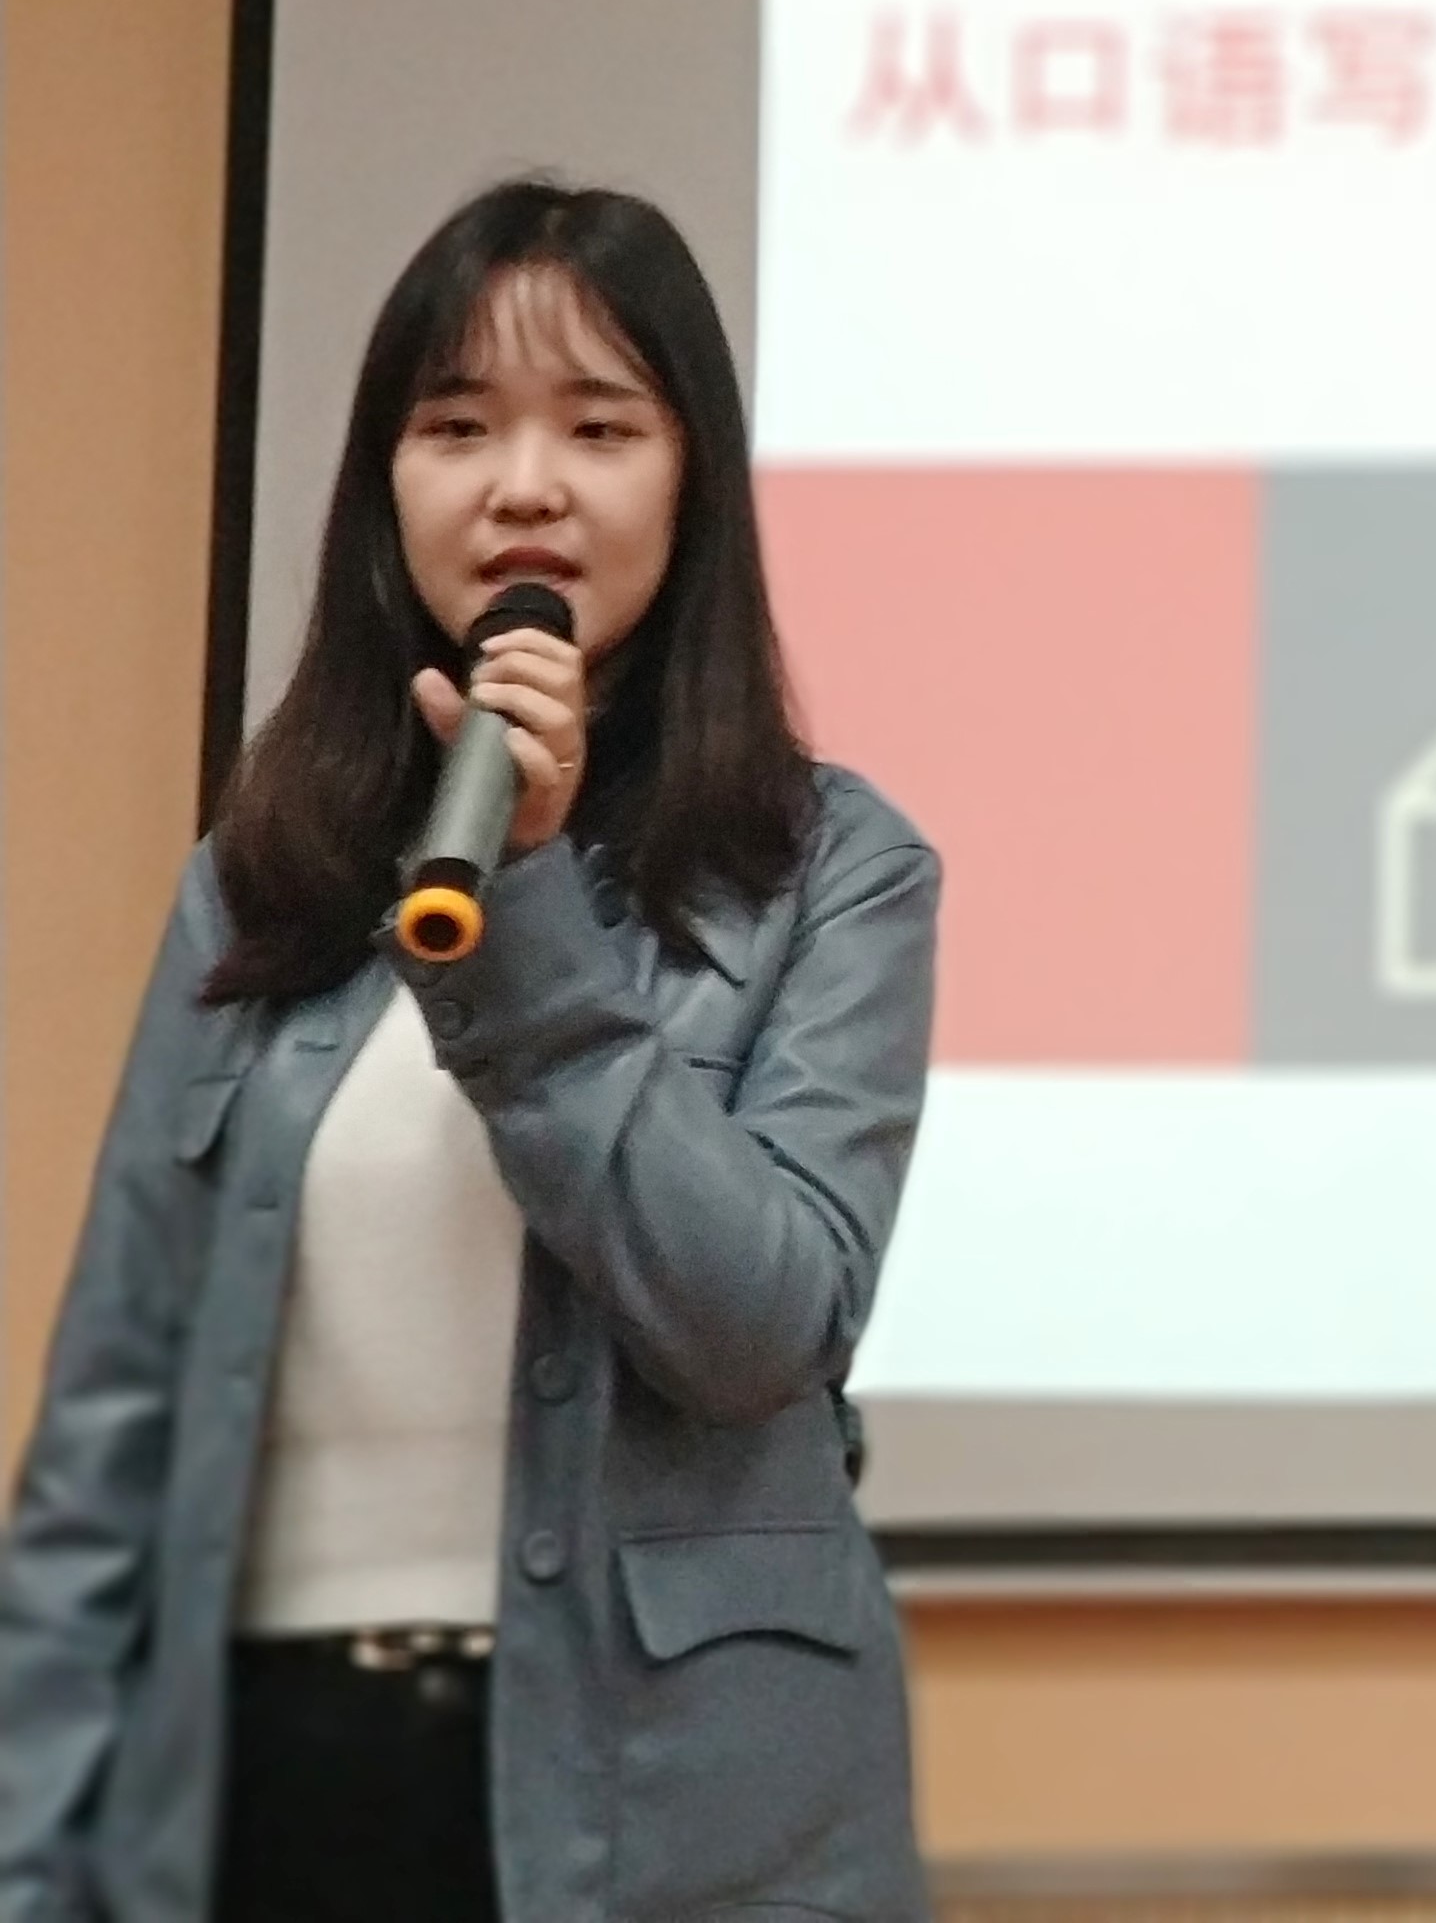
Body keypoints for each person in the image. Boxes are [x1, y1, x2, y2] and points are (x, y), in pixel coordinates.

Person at [0, 180, 943, 1923]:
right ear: (389, 485)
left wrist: (532, 910)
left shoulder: (830, 870)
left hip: (676, 1819)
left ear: (693, 484)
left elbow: (761, 1329)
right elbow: (111, 1432)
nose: (524, 485)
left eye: (600, 427)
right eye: (457, 427)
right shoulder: (260, 881)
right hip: (265, 1788)